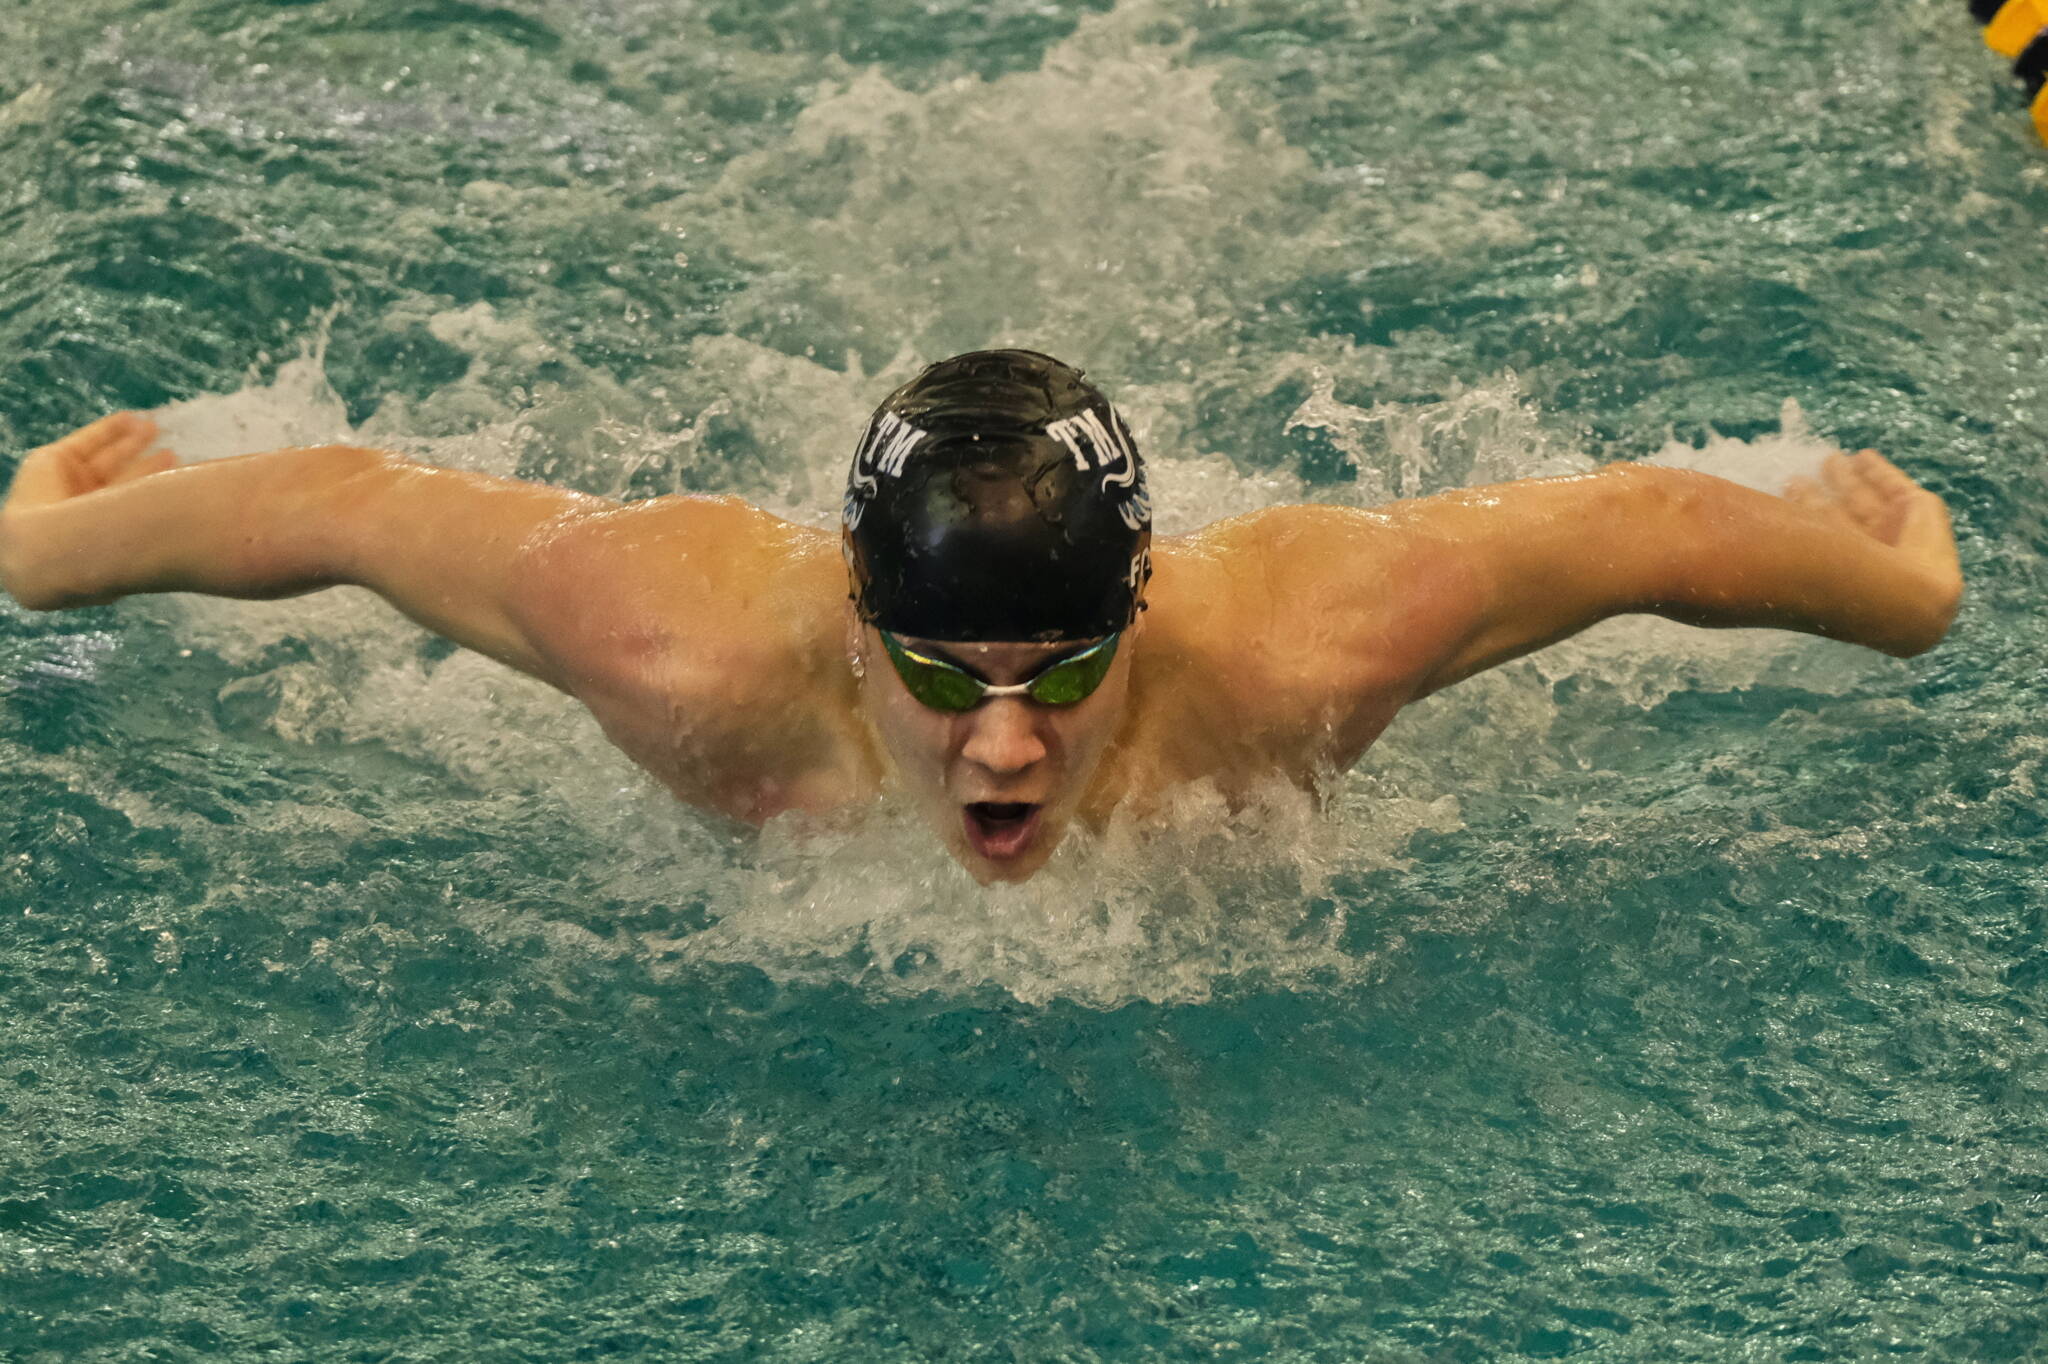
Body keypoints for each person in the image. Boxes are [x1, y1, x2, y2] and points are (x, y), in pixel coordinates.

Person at [0, 350, 1964, 883]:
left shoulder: (1293, 647)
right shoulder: (677, 648)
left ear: (1146, 613)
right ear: (854, 632)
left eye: (1061, 675)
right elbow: (344, 508)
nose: (1005, 744)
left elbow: (1632, 534)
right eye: (945, 675)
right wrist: (31, 545)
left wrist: (1911, 589)